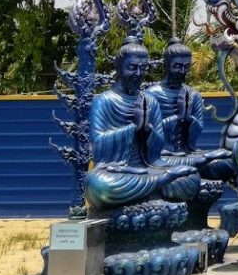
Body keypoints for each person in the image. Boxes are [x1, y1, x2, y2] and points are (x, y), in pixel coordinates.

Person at [85, 37, 200, 211]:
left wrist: (148, 131)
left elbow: (158, 150)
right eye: (132, 67)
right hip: (116, 173)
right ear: (119, 66)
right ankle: (158, 184)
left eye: (143, 68)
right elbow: (98, 147)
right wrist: (133, 128)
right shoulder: (104, 100)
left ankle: (156, 184)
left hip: (147, 169)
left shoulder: (149, 101)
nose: (138, 73)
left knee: (191, 177)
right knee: (97, 186)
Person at [146, 39, 233, 181]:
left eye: (186, 67)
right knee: (185, 174)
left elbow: (197, 131)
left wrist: (189, 119)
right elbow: (149, 135)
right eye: (177, 66)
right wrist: (177, 118)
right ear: (167, 65)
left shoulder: (193, 95)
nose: (182, 71)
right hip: (162, 156)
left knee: (227, 164)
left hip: (187, 153)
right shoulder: (151, 95)